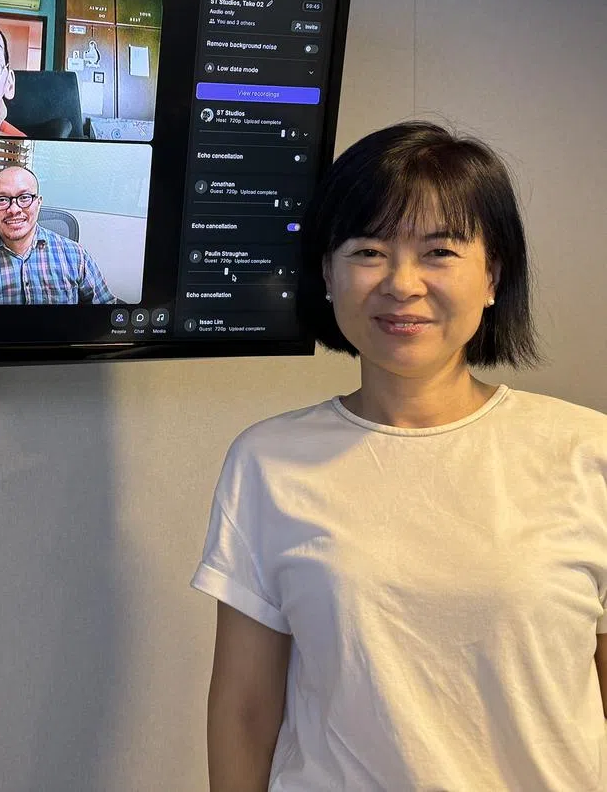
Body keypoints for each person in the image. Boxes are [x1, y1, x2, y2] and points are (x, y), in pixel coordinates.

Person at [193, 122, 607, 792]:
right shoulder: (268, 463)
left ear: (493, 274)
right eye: (369, 251)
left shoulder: (588, 454)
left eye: (440, 251)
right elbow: (244, 712)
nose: (402, 283)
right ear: (326, 272)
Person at [0, 165, 116, 304]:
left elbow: (107, 314)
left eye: (25, 197)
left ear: (38, 202)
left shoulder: (76, 255)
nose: (14, 210)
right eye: (1, 199)